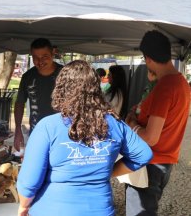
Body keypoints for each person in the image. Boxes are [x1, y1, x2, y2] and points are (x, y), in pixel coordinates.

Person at [17, 60, 153, 216]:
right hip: (100, 209)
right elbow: (143, 154)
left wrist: (23, 206)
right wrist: (108, 172)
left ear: (61, 88)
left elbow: (28, 182)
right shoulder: (114, 123)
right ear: (96, 89)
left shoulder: (48, 126)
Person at [125, 30, 190, 216]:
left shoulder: (165, 86)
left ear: (148, 58)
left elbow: (151, 138)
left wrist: (131, 125)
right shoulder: (181, 83)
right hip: (163, 163)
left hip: (149, 164)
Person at [14, 38, 63, 151]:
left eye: (45, 57)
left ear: (53, 53)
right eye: (36, 57)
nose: (40, 61)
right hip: (37, 133)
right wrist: (17, 130)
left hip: (62, 133)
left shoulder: (65, 74)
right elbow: (20, 103)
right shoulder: (28, 77)